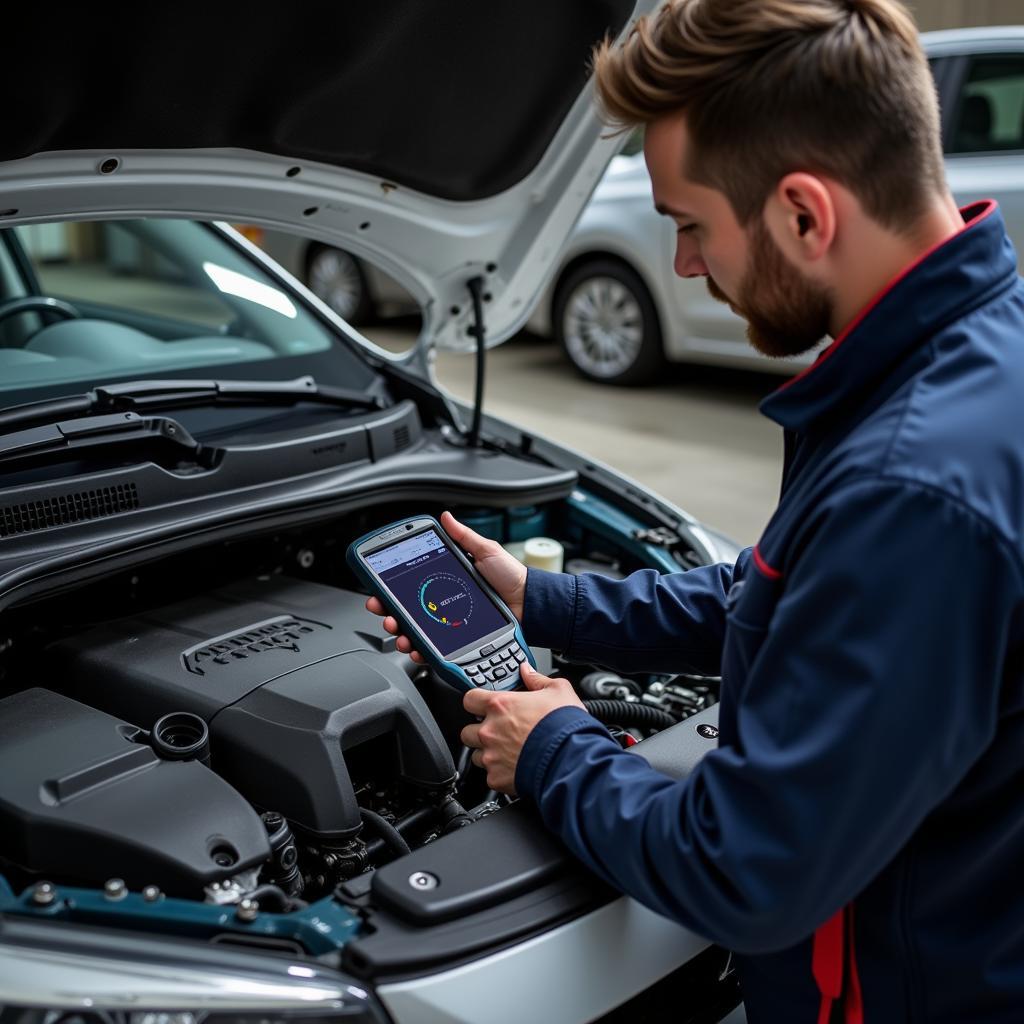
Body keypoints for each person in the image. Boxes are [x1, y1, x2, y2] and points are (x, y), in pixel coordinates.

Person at [367, 1, 1024, 1019]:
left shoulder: (913, 485)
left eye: (689, 225)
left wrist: (552, 747)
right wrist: (543, 599)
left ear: (805, 213)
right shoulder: (968, 361)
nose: (682, 265)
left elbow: (745, 871)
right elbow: (784, 593)